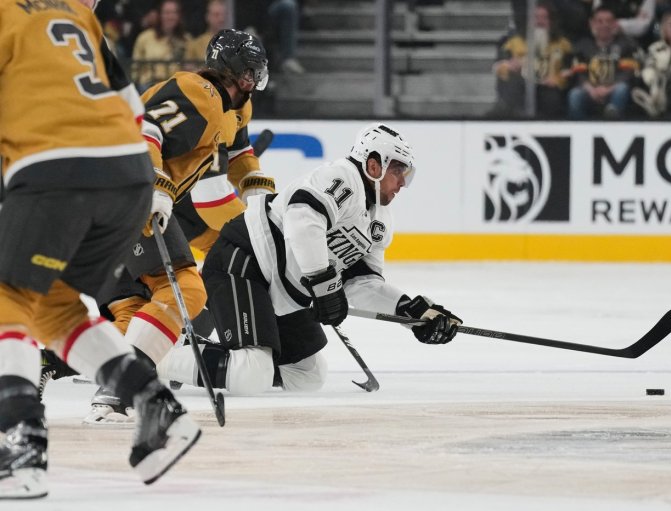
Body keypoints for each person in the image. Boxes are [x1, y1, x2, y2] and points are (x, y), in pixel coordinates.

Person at [0, 0, 200, 499]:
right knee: (53, 307)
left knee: (8, 299)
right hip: (129, 175)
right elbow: (134, 109)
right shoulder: (75, 15)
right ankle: (156, 406)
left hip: (57, 171)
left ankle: (21, 447)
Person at [156, 124, 463, 396]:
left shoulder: (380, 220)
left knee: (307, 375)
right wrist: (324, 283)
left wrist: (410, 311)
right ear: (374, 165)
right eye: (398, 171)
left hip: (283, 293)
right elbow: (303, 218)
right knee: (251, 373)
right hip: (245, 261)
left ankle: (210, 358)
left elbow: (362, 282)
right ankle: (152, 357)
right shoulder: (343, 177)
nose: (402, 183)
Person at [85, 29, 273, 423]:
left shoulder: (236, 107)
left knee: (138, 308)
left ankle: (77, 369)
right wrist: (155, 183)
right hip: (127, 188)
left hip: (118, 193)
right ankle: (121, 387)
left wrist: (255, 187)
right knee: (187, 289)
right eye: (250, 71)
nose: (255, 79)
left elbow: (238, 151)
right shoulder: (198, 93)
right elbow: (145, 129)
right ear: (234, 70)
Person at [488, 1, 573, 118]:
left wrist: (557, 80)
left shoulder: (563, 44)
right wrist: (509, 65)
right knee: (513, 87)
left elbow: (570, 70)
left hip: (549, 90)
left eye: (544, 18)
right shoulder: (514, 42)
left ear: (551, 21)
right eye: (536, 17)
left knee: (552, 97)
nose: (540, 22)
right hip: (521, 87)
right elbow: (498, 68)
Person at [567, 6, 640, 119]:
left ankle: (612, 122)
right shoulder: (583, 46)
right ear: (592, 24)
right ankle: (579, 128)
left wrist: (608, 89)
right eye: (600, 21)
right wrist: (591, 90)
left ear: (615, 24)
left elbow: (628, 74)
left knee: (622, 89)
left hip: (614, 91)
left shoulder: (626, 45)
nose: (604, 25)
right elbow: (579, 73)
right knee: (575, 95)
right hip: (589, 92)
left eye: (608, 21)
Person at [132, 0, 190, 91]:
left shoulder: (186, 40)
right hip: (149, 86)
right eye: (167, 13)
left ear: (179, 16)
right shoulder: (145, 37)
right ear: (159, 15)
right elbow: (135, 68)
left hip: (176, 87)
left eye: (174, 13)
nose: (170, 17)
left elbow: (191, 66)